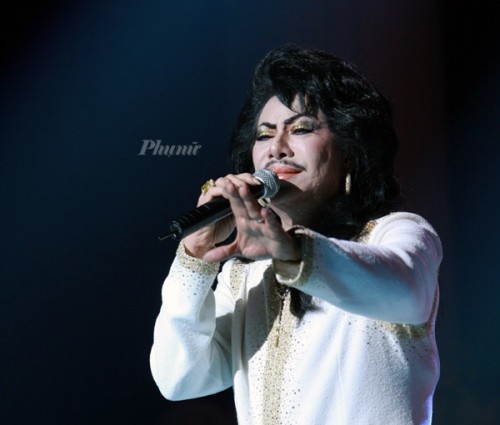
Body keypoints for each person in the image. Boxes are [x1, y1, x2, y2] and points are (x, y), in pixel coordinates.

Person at [150, 45, 442, 425]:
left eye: (301, 129)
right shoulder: (246, 276)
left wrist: (293, 250)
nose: (277, 148)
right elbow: (179, 379)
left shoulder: (394, 233)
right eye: (264, 134)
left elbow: (405, 290)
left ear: (350, 151)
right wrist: (194, 261)